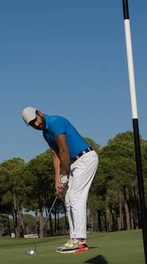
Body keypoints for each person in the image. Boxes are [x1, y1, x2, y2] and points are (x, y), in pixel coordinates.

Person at [21, 107, 98, 254]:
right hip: (76, 162)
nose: (36, 124)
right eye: (31, 124)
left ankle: (80, 241)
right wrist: (57, 180)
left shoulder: (55, 122)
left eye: (35, 120)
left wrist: (63, 175)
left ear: (40, 113)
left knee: (76, 198)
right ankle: (74, 238)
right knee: (69, 199)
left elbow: (64, 150)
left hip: (86, 158)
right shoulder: (45, 133)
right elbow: (56, 155)